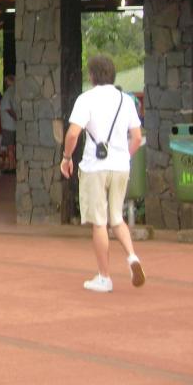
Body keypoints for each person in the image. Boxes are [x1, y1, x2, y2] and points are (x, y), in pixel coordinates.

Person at [60, 55, 146, 293]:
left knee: (99, 222)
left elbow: (72, 134)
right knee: (116, 218)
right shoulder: (125, 100)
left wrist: (67, 158)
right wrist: (125, 157)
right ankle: (132, 258)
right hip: (120, 166)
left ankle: (104, 276)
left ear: (92, 75)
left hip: (94, 167)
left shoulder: (86, 99)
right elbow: (137, 137)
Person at [0, 74, 18, 173]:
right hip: (13, 125)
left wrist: (16, 118)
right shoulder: (15, 92)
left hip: (8, 125)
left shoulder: (8, 93)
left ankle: (12, 166)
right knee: (12, 147)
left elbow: (8, 108)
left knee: (10, 147)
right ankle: (12, 164)